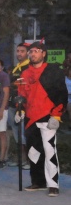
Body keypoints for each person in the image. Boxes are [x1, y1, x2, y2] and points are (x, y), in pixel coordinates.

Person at [16, 41, 67, 196]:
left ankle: (53, 184)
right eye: (31, 51)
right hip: (31, 117)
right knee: (33, 152)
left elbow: (61, 95)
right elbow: (21, 94)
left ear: (43, 53)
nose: (33, 54)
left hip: (48, 116)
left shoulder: (53, 71)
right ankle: (38, 182)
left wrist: (57, 115)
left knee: (50, 150)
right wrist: (20, 110)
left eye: (36, 51)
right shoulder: (24, 72)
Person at [7, 43, 30, 167]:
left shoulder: (28, 67)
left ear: (27, 53)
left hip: (22, 106)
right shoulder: (17, 67)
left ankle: (28, 160)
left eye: (22, 51)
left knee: (23, 133)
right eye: (17, 51)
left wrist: (13, 83)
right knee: (16, 133)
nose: (19, 53)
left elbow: (21, 84)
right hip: (12, 103)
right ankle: (20, 159)